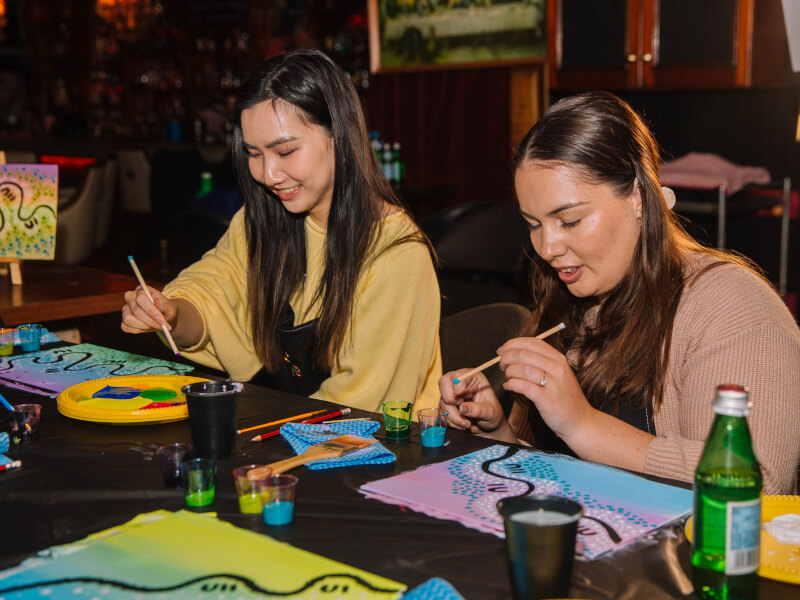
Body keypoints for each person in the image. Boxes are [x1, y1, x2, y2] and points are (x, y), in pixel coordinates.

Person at [439, 91, 800, 494]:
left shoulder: (733, 308)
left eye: (570, 221)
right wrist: (499, 433)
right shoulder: (570, 300)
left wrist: (582, 425)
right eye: (533, 224)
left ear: (639, 198)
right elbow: (566, 482)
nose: (547, 248)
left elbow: (757, 486)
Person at [122, 49, 442, 414]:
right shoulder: (265, 218)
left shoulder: (394, 253)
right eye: (253, 154)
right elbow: (214, 289)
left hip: (375, 448)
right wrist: (171, 312)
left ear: (340, 134)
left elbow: (359, 401)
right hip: (295, 425)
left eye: (286, 152)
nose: (267, 175)